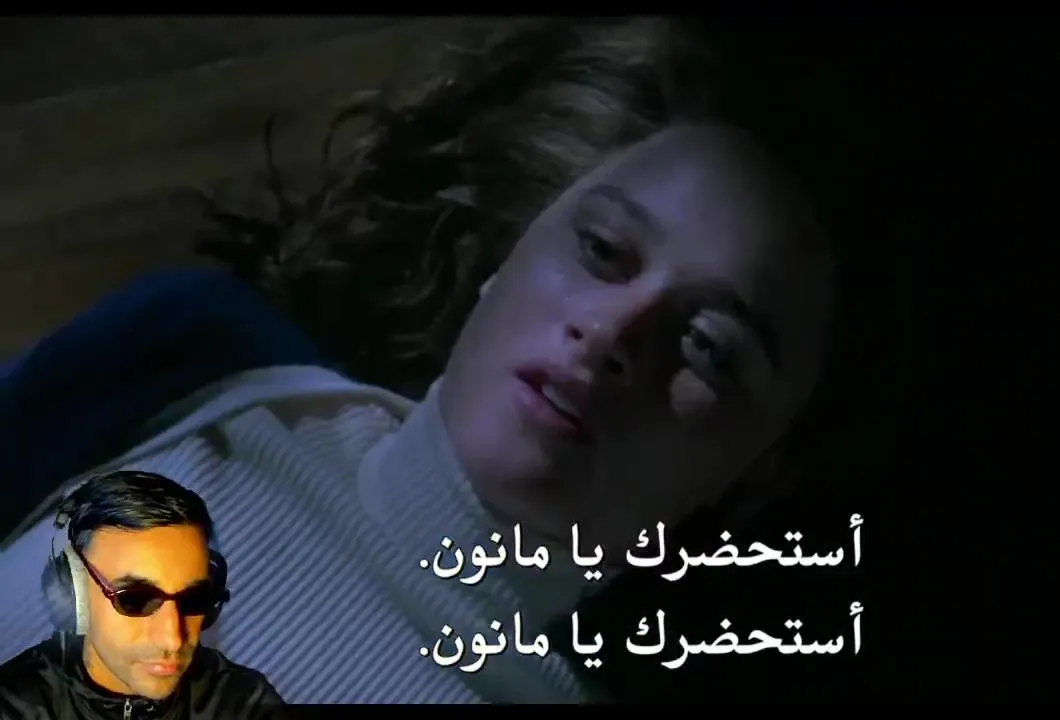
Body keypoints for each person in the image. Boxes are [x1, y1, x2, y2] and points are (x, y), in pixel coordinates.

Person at [1, 17, 893, 702]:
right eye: (601, 251)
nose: (615, 334)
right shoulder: (203, 362)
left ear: (759, 472)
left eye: (709, 347)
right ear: (509, 257)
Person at [0, 470, 284, 719]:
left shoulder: (246, 705)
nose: (172, 639)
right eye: (135, 599)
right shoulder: (12, 706)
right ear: (74, 596)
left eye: (193, 599)